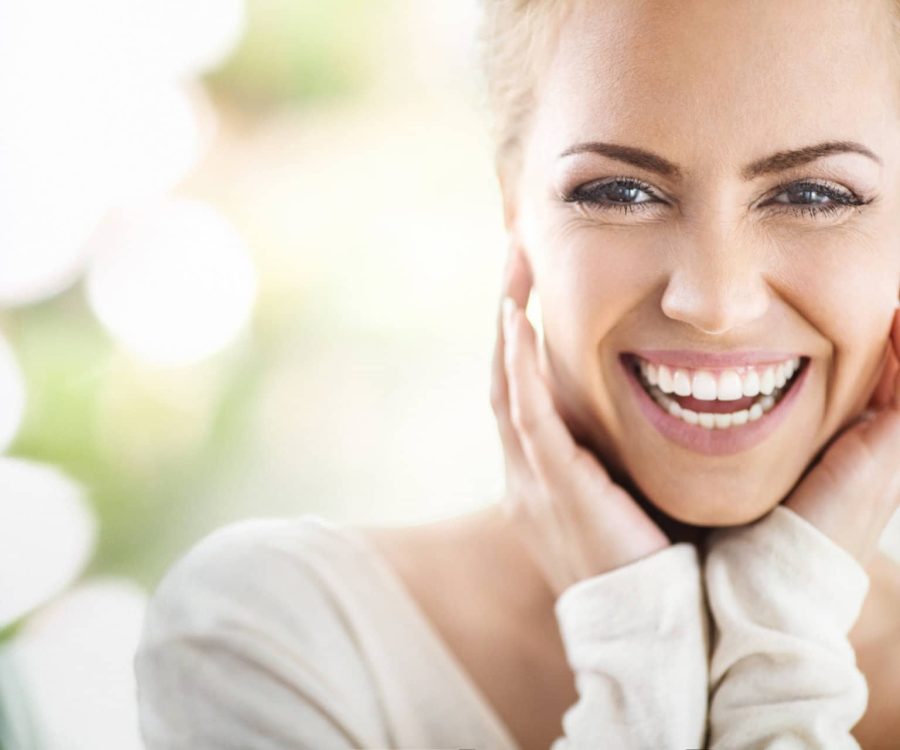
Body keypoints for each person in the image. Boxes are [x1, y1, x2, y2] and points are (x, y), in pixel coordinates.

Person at [134, 1, 900, 748]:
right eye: (620, 192)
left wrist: (784, 620)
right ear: (513, 204)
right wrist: (641, 652)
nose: (713, 303)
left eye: (813, 195)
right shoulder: (276, 638)